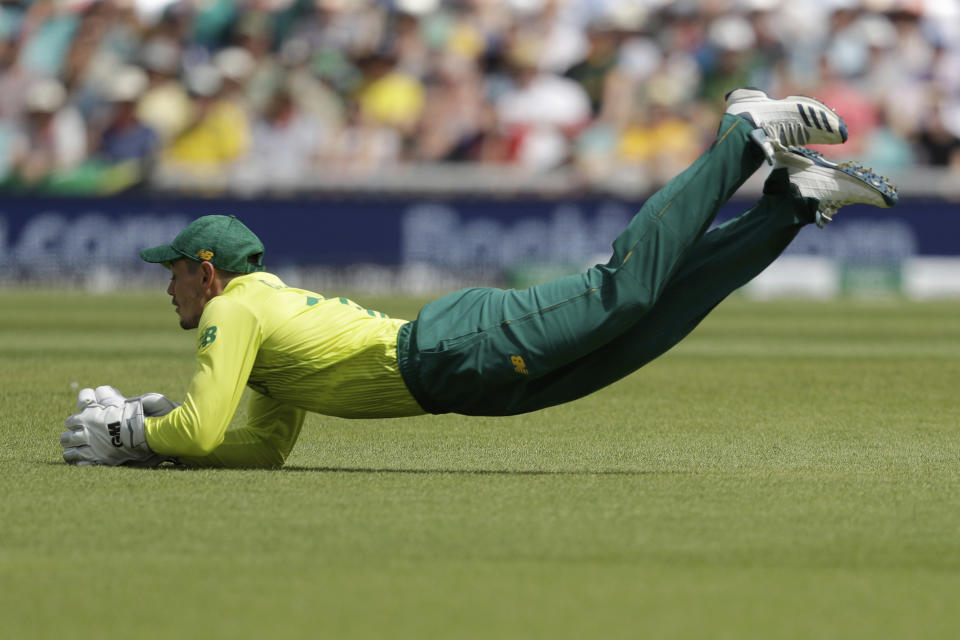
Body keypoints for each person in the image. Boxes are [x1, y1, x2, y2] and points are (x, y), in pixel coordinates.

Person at [60, 88, 899, 468]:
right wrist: (159, 435)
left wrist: (142, 434)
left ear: (206, 272)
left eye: (172, 272)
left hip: (458, 345)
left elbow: (201, 431)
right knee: (645, 327)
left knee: (624, 289)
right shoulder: (262, 329)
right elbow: (257, 447)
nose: (166, 286)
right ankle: (793, 203)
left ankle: (743, 137)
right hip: (465, 381)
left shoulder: (232, 315)